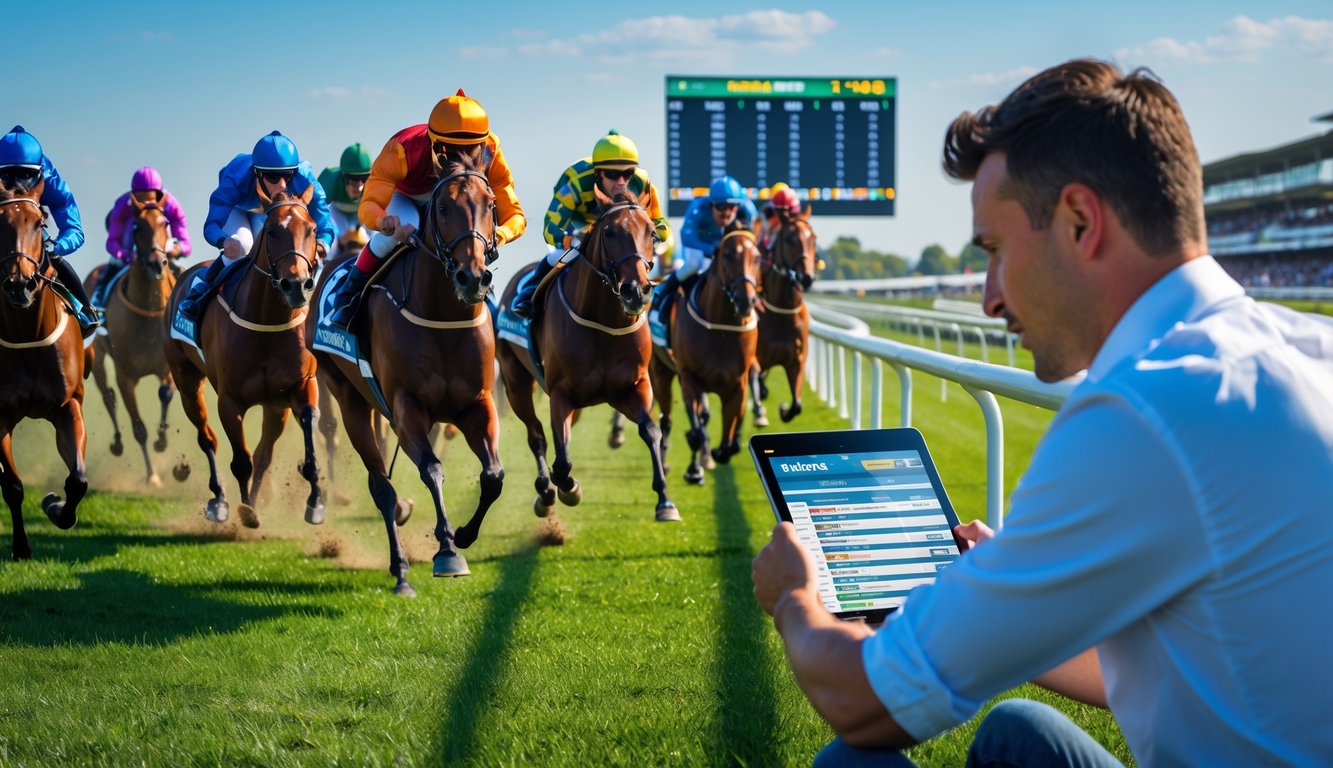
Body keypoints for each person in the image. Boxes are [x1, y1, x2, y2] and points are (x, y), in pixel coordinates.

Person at [752, 58, 1333, 767]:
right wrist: (1012, 601)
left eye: (995, 252)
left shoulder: (1141, 411)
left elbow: (864, 703)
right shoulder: (1307, 347)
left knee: (850, 759)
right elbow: (1183, 655)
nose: (989, 298)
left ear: (1080, 221)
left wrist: (794, 599)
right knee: (1019, 729)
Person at [324, 89, 525, 330]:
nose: (459, 160)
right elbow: (368, 205)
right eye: (450, 152)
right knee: (405, 227)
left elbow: (515, 215)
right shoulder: (401, 149)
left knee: (472, 229)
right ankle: (349, 293)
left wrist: (497, 235)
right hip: (407, 195)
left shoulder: (491, 149)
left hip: (458, 197)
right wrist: (384, 221)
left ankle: (488, 300)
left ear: (482, 144)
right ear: (433, 142)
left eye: (470, 150)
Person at [511, 129, 672, 318]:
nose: (621, 182)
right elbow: (551, 226)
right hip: (577, 225)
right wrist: (569, 241)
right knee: (558, 255)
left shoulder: (643, 184)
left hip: (617, 229)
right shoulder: (576, 182)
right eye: (612, 174)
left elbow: (659, 221)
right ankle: (529, 294)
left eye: (627, 174)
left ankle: (658, 300)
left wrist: (655, 237)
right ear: (598, 172)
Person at [177, 130, 334, 321]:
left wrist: (323, 245)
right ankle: (199, 293)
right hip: (239, 210)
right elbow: (211, 226)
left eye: (287, 175)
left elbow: (325, 226)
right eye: (273, 177)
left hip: (276, 212)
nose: (283, 185)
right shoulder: (236, 180)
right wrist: (223, 241)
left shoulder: (305, 180)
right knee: (242, 245)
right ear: (257, 173)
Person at [0, 125, 98, 334]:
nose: (17, 183)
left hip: (32, 232)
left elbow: (74, 229)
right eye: (8, 176)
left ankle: (84, 311)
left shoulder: (50, 177)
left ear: (39, 171)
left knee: (53, 258)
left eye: (26, 175)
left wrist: (57, 246)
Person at [649, 174, 757, 323]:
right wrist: (712, 248)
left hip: (724, 245)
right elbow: (687, 236)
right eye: (721, 207)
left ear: (738, 205)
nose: (726, 213)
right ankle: (663, 292)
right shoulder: (698, 208)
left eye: (731, 207)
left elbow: (753, 238)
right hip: (700, 243)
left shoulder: (748, 210)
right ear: (712, 204)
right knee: (694, 265)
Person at [94, 166, 193, 309]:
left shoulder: (172, 205)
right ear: (133, 195)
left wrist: (176, 250)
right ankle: (99, 303)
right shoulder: (123, 205)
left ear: (159, 196)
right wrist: (127, 256)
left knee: (181, 273)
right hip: (128, 245)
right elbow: (112, 243)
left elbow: (186, 245)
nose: (146, 204)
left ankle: (187, 308)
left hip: (161, 249)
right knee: (112, 265)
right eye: (140, 198)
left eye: (151, 198)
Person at [318, 143, 372, 257]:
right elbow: (316, 213)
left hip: (362, 212)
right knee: (330, 247)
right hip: (336, 212)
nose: (358, 185)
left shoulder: (374, 183)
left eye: (363, 179)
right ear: (342, 176)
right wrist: (337, 236)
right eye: (352, 179)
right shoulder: (331, 182)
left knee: (374, 239)